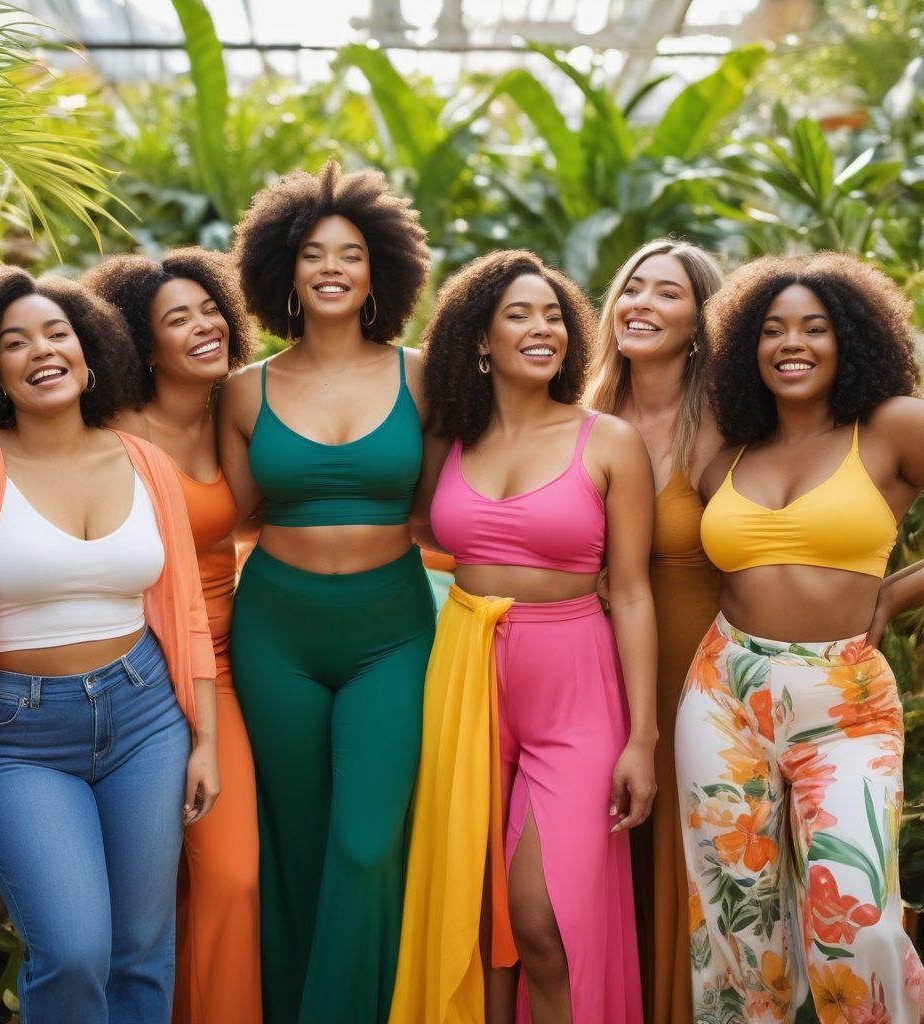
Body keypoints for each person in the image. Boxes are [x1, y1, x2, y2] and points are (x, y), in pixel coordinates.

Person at [0, 268, 219, 1024]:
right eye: (15, 342)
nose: (41, 351)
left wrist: (203, 738)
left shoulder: (143, 464)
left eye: (57, 333)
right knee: (74, 951)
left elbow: (185, 611)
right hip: (18, 738)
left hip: (146, 720)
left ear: (88, 350)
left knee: (141, 951)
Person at [392, 249, 654, 1024]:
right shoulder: (448, 441)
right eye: (519, 315)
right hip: (464, 669)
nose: (543, 329)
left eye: (553, 316)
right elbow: (405, 526)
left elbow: (633, 594)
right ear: (479, 339)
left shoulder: (607, 441)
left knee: (543, 920)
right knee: (476, 912)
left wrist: (643, 739)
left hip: (573, 679)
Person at [679, 252, 924, 1022]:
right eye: (774, 330)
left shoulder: (891, 428)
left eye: (816, 328)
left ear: (850, 341)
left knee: (857, 920)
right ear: (750, 347)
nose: (794, 343)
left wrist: (894, 594)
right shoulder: (728, 459)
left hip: (843, 705)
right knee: (736, 927)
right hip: (724, 695)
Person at [218, 161, 436, 1024]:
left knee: (366, 845)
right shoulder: (243, 393)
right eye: (314, 253)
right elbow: (227, 518)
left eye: (351, 252)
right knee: (300, 846)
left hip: (393, 631)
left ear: (381, 269)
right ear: (286, 272)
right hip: (275, 632)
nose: (333, 267)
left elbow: (449, 511)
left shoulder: (425, 379)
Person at [82, 248, 260, 1024]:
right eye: (175, 319)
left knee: (231, 877)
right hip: (137, 673)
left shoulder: (239, 413)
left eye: (209, 308)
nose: (203, 326)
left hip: (229, 666)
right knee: (144, 900)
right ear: (140, 346)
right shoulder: (115, 433)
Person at [586, 238, 724, 1023]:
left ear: (701, 321)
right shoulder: (578, 406)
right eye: (632, 287)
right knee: (594, 859)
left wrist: (876, 596)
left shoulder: (732, 423)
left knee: (681, 867)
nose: (640, 303)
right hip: (581, 664)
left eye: (667, 293)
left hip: (693, 669)